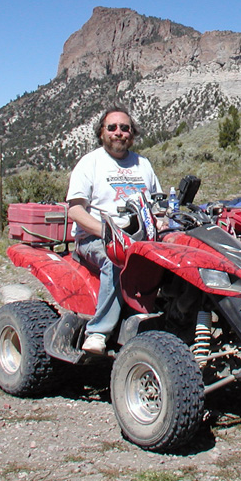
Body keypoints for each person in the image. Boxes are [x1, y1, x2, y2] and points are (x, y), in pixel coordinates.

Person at [66, 106, 162, 354]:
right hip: (95, 237)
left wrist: (161, 220)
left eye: (125, 128)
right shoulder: (90, 163)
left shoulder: (143, 164)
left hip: (141, 234)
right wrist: (107, 232)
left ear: (132, 133)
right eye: (112, 127)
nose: (119, 133)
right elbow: (75, 211)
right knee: (117, 259)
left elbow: (157, 204)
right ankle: (98, 332)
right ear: (102, 133)